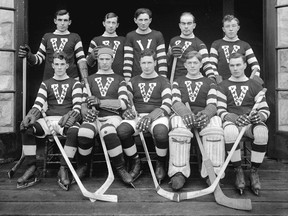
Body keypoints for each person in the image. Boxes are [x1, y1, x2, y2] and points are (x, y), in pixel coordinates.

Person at [17, 51, 83, 190]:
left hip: (65, 120)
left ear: (67, 65)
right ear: (52, 65)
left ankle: (63, 168)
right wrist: (32, 115)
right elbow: (38, 104)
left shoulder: (75, 83)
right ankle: (31, 167)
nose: (59, 67)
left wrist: (72, 115)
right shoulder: (46, 84)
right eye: (57, 64)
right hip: (48, 119)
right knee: (26, 128)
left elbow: (77, 106)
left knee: (75, 131)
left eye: (62, 64)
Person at [77, 47, 133, 186]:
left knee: (107, 130)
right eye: (101, 59)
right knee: (84, 132)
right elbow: (83, 103)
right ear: (97, 60)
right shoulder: (89, 79)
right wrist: (85, 112)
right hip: (94, 117)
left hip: (112, 117)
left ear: (112, 60)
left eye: (107, 59)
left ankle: (120, 168)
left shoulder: (120, 79)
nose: (104, 62)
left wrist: (100, 102)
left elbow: (124, 103)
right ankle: (83, 166)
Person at [168, 51, 223, 191]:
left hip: (202, 115)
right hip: (183, 114)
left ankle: (212, 172)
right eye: (189, 63)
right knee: (178, 127)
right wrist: (186, 113)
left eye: (195, 63)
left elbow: (212, 103)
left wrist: (205, 114)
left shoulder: (209, 82)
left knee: (216, 126)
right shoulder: (178, 81)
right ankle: (178, 172)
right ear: (185, 64)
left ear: (201, 64)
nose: (192, 66)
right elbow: (175, 101)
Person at [217, 52, 270, 195]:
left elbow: (265, 109)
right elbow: (220, 110)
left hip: (250, 122)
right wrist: (234, 118)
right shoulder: (222, 85)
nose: (235, 68)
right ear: (229, 66)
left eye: (238, 65)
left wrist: (257, 117)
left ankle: (254, 171)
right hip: (232, 122)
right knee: (230, 132)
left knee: (261, 132)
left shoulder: (256, 85)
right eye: (232, 65)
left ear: (245, 65)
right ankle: (238, 171)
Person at [117, 49, 172, 183]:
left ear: (155, 63)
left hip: (157, 116)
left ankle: (160, 162)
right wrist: (126, 111)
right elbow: (125, 102)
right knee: (122, 131)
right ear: (139, 64)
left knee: (161, 132)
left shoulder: (163, 81)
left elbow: (167, 105)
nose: (146, 66)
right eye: (143, 63)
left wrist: (151, 117)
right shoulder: (132, 81)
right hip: (137, 115)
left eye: (149, 62)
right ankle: (136, 161)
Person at [18, 9, 88, 81]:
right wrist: (29, 55)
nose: (62, 23)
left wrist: (85, 81)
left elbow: (81, 60)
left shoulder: (75, 37)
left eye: (65, 20)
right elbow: (39, 59)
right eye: (60, 20)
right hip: (50, 81)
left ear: (69, 22)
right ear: (55, 21)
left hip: (72, 80)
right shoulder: (47, 37)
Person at [210, 14, 263, 84]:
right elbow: (211, 64)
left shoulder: (245, 45)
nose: (231, 29)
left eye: (233, 26)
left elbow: (255, 65)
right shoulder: (216, 44)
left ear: (238, 28)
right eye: (227, 26)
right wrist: (217, 78)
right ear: (223, 29)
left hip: (241, 83)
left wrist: (252, 81)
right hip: (222, 84)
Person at [167, 12, 215, 82]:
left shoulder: (200, 44)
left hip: (193, 80)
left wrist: (211, 77)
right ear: (180, 25)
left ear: (194, 25)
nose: (186, 26)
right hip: (176, 80)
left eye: (189, 23)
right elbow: (167, 62)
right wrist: (169, 53)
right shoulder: (173, 41)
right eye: (183, 23)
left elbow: (206, 64)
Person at [123, 8, 168, 82]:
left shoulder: (157, 35)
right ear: (135, 20)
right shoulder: (130, 36)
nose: (143, 23)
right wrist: (127, 81)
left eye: (146, 20)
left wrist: (163, 80)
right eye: (140, 20)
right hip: (136, 78)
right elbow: (128, 60)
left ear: (150, 20)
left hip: (155, 78)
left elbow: (162, 60)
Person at [86, 12, 125, 77]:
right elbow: (88, 64)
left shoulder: (124, 40)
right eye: (108, 22)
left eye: (113, 23)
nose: (111, 25)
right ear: (104, 23)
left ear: (117, 25)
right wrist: (91, 57)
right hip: (101, 78)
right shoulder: (96, 40)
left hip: (120, 78)